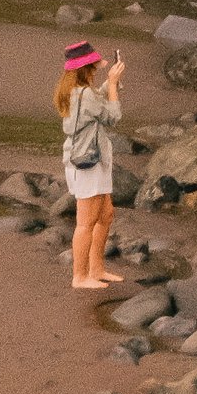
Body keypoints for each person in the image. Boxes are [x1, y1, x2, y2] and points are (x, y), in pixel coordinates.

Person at [57, 41, 127, 290]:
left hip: (93, 160)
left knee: (106, 214)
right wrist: (114, 86)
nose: (97, 68)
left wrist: (113, 81)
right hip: (87, 162)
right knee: (85, 223)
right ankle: (80, 276)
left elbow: (98, 98)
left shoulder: (78, 90)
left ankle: (96, 269)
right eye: (94, 66)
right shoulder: (83, 95)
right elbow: (112, 116)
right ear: (86, 67)